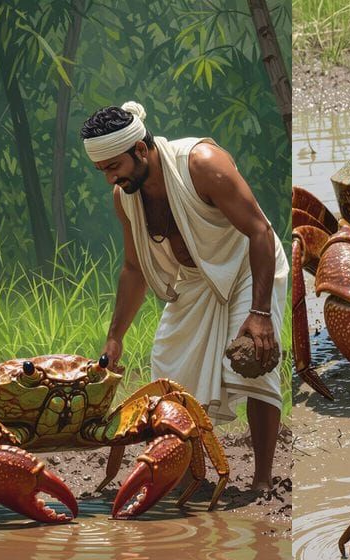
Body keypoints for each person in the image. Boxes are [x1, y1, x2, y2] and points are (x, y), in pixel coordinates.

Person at [81, 101, 288, 493]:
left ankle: (262, 482)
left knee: (256, 364)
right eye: (102, 171)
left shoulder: (202, 164)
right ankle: (191, 476)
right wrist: (115, 336)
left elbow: (259, 231)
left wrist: (260, 312)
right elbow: (134, 267)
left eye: (113, 167)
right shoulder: (125, 195)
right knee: (168, 371)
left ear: (140, 150)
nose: (109, 179)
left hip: (246, 263)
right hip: (194, 279)